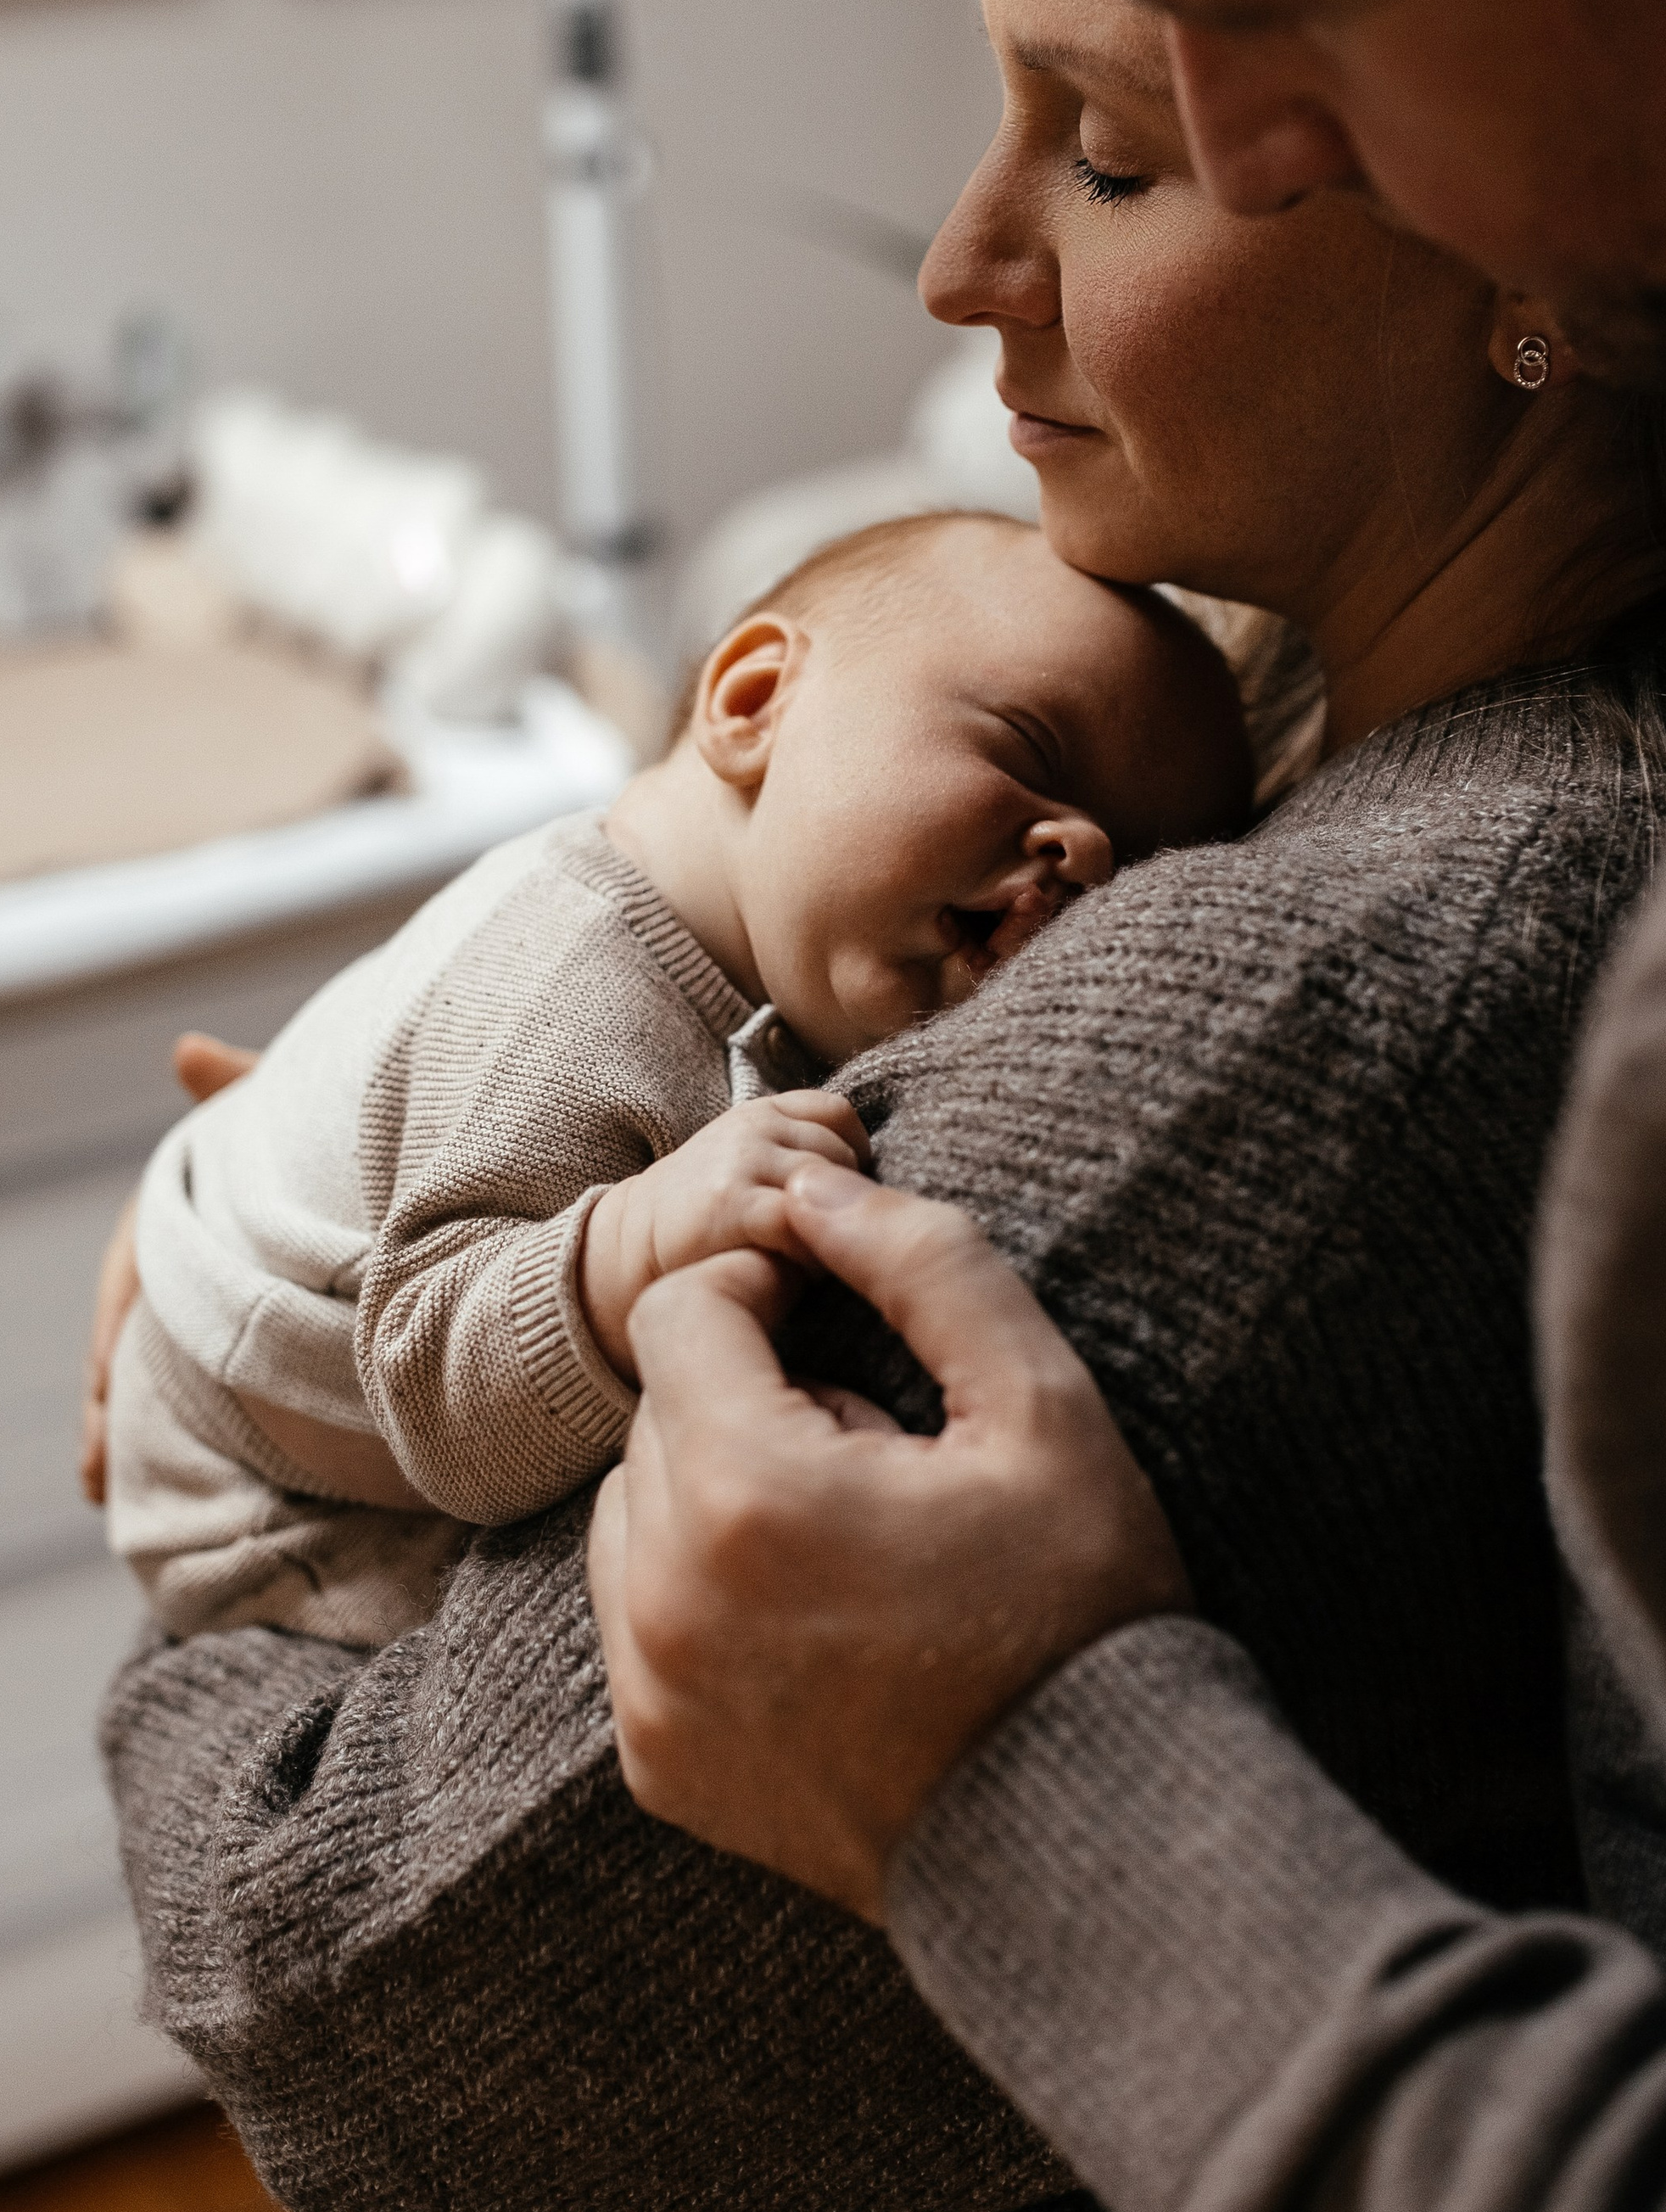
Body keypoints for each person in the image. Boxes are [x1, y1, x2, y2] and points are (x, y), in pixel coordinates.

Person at [97, 0, 1666, 2212]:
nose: (964, 263)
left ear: (1546, 242)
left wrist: (211, 1441)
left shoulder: (1284, 1027)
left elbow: (321, 1992)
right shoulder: (1314, 716)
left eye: (1102, 150)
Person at [587, 0, 1666, 2212]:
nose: (1251, 135)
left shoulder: (1369, 957)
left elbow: (332, 1950)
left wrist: (1023, 1770)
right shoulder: (1254, 716)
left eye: (1253, 1)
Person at [103, 513, 1247, 1649]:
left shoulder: (771, 955)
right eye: (1032, 754)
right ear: (751, 701)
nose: (1086, 854)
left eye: (1136, 865)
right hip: (258, 1479)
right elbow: (436, 1387)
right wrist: (633, 1244)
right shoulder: (566, 991)